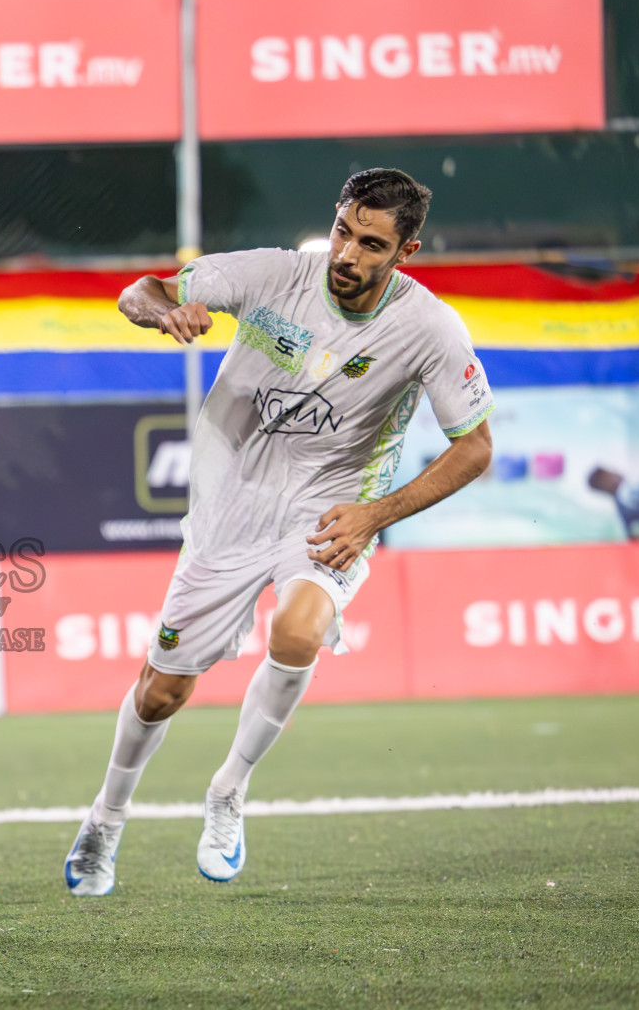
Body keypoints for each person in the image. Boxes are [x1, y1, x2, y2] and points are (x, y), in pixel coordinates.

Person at [65, 169, 496, 894]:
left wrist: (374, 514)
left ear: (406, 251)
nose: (347, 255)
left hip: (329, 507)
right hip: (228, 510)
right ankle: (106, 819)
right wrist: (160, 311)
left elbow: (475, 447)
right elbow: (143, 290)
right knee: (160, 693)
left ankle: (229, 791)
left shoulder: (428, 327)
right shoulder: (272, 275)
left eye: (370, 244)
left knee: (298, 631)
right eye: (342, 231)